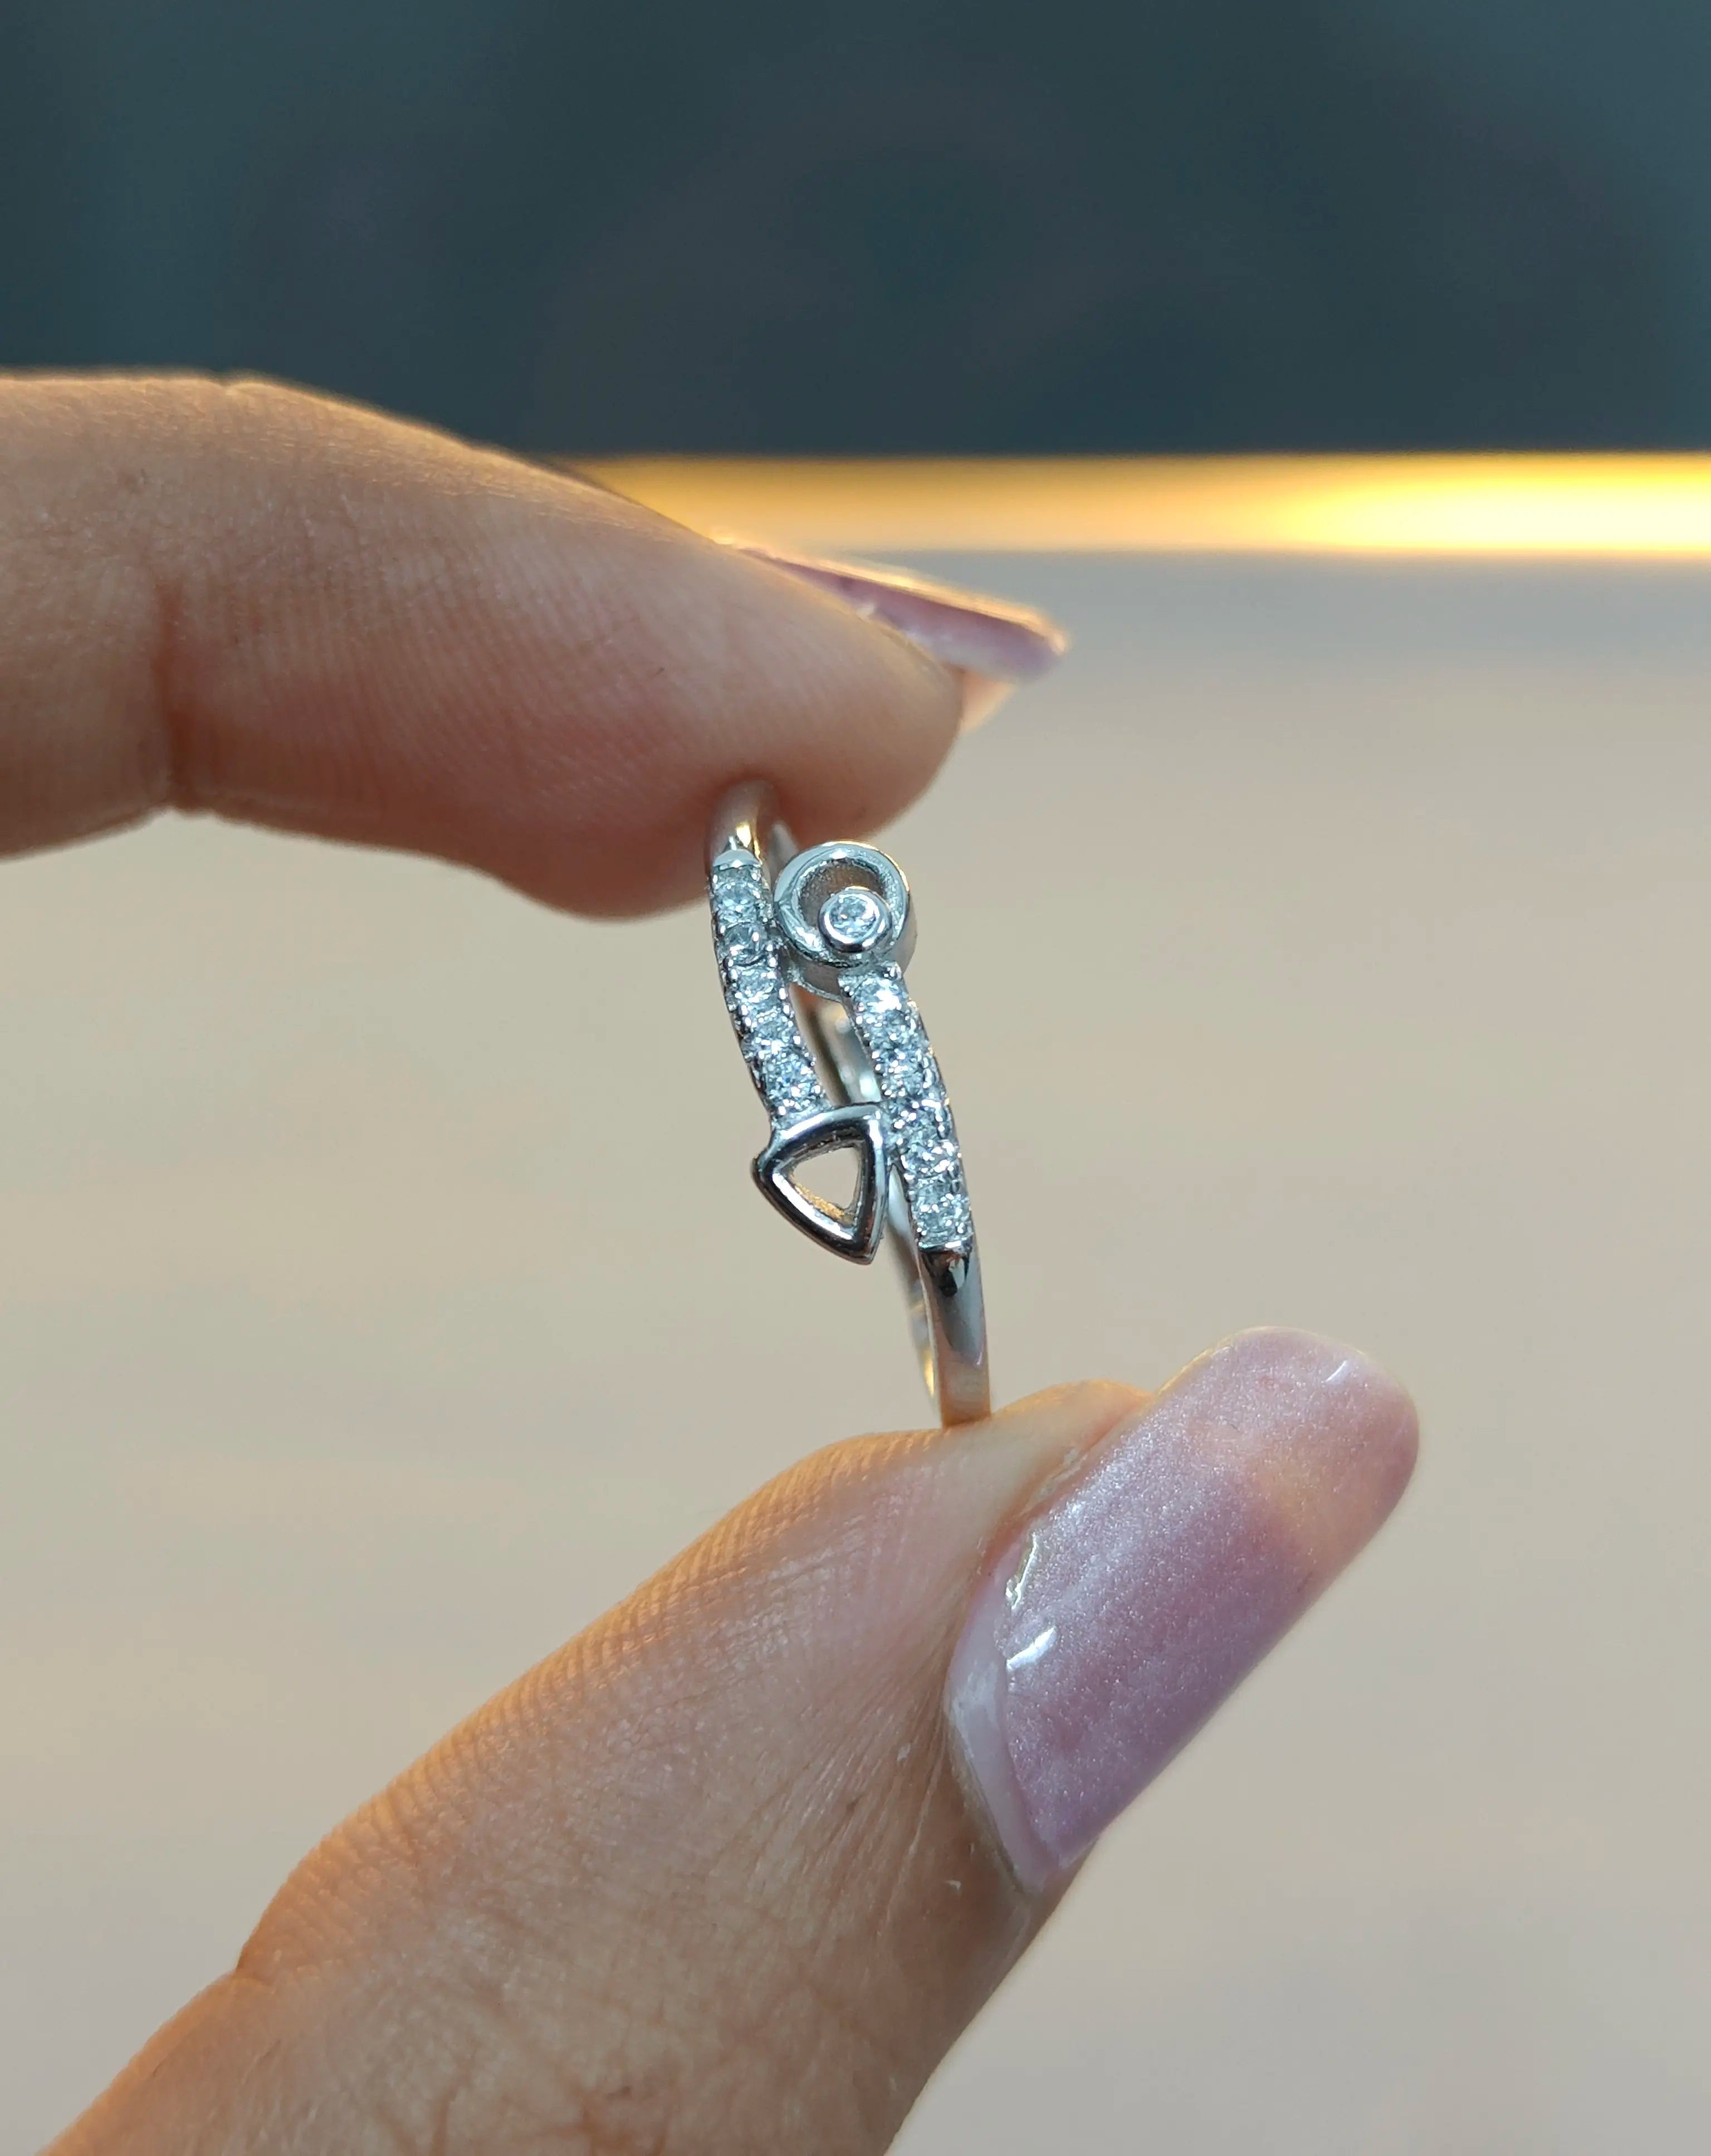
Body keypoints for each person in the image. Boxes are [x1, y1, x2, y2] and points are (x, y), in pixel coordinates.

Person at [13, 377, 1417, 2155]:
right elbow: (802, 1033)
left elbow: (821, 1041)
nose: (857, 922)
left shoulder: (834, 990)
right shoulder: (817, 995)